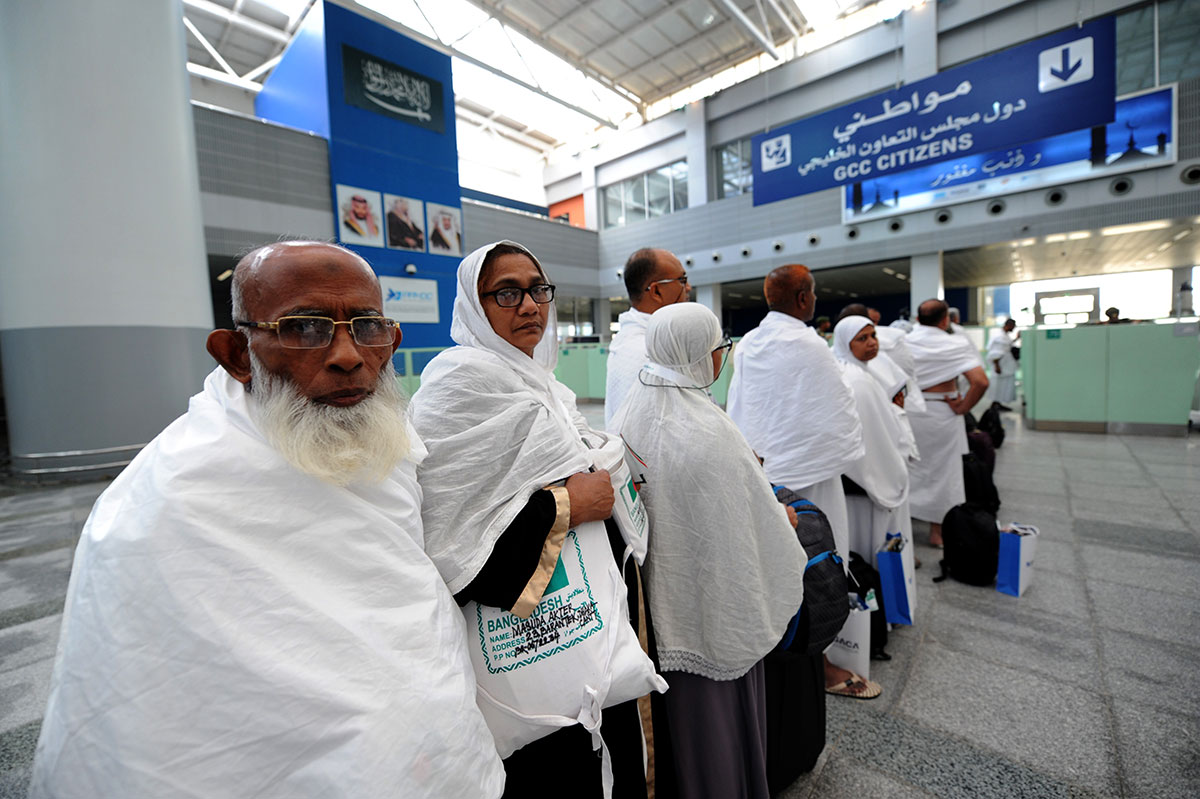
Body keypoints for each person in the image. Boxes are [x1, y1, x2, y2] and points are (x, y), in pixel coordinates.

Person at [28, 241, 504, 798]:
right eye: (305, 328)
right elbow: (156, 711)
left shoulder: (389, 444)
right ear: (235, 353)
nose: (348, 355)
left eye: (368, 327)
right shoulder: (170, 495)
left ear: (392, 341)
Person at [409, 240, 656, 799]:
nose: (529, 306)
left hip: (585, 622)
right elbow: (449, 528)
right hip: (529, 646)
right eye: (507, 293)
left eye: (537, 290)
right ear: (474, 305)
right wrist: (570, 505)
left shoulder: (541, 380)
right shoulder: (459, 384)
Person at [614, 303, 806, 799]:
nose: (723, 356)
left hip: (657, 616)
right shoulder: (708, 429)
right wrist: (780, 522)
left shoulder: (635, 404)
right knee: (722, 734)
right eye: (719, 347)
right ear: (699, 355)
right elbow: (747, 528)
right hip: (715, 611)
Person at [727, 265, 872, 697]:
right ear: (805, 299)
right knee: (821, 564)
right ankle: (820, 657)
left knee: (775, 567)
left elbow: (744, 405)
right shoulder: (810, 345)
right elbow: (837, 415)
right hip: (812, 480)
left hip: (767, 477)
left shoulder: (749, 344)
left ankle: (782, 648)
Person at [832, 315, 918, 619]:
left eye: (873, 336)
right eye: (862, 339)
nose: (872, 344)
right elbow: (873, 436)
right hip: (868, 479)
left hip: (860, 479)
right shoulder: (855, 380)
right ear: (845, 343)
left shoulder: (857, 372)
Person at [906, 299, 989, 547]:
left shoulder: (904, 342)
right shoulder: (955, 343)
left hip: (911, 412)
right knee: (944, 472)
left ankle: (904, 527)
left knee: (910, 469)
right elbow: (981, 382)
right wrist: (964, 407)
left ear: (918, 319)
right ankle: (937, 532)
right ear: (946, 320)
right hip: (943, 411)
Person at [604, 247, 691, 431]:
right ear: (656, 291)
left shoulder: (630, 340)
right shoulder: (651, 351)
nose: (688, 288)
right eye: (682, 280)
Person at [986, 318, 1019, 407]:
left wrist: (1016, 338)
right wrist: (997, 365)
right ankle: (995, 404)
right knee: (997, 385)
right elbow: (995, 353)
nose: (1014, 328)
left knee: (1003, 386)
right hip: (1000, 366)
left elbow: (1007, 346)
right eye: (1013, 326)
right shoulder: (999, 336)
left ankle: (998, 403)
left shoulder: (1004, 335)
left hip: (1005, 366)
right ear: (1009, 325)